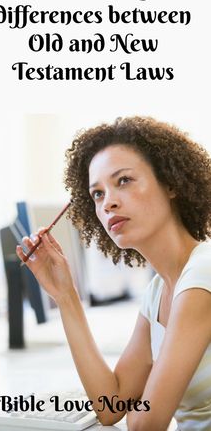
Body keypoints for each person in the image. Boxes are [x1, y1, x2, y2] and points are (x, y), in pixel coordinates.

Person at [16, 116, 211, 431]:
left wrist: (140, 407)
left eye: (123, 180)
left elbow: (144, 425)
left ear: (170, 183)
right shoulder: (157, 291)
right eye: (97, 194)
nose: (108, 203)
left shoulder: (203, 273)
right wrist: (65, 296)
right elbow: (112, 405)